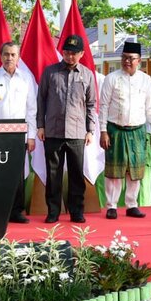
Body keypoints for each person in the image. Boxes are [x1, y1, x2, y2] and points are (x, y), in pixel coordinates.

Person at [37, 34, 96, 224]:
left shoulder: (87, 75)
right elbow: (41, 100)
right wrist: (40, 125)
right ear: (62, 52)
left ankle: (76, 211)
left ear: (82, 54)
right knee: (53, 174)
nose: (70, 57)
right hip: (53, 130)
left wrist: (90, 130)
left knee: (76, 174)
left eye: (74, 53)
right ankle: (53, 211)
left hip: (77, 132)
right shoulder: (50, 72)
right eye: (67, 53)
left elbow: (91, 104)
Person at [98, 42, 151, 220]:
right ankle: (112, 206)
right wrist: (103, 131)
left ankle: (132, 205)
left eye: (131, 58)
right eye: (124, 58)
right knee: (114, 171)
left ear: (139, 60)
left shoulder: (145, 79)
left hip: (138, 130)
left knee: (135, 169)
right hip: (115, 129)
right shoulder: (112, 78)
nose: (127, 61)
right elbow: (103, 107)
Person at [0, 42, 37, 224]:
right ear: (0, 56)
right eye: (6, 54)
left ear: (18, 57)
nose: (9, 58)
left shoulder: (26, 79)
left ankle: (17, 211)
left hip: (19, 134)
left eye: (13, 55)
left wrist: (30, 136)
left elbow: (31, 109)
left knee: (18, 174)